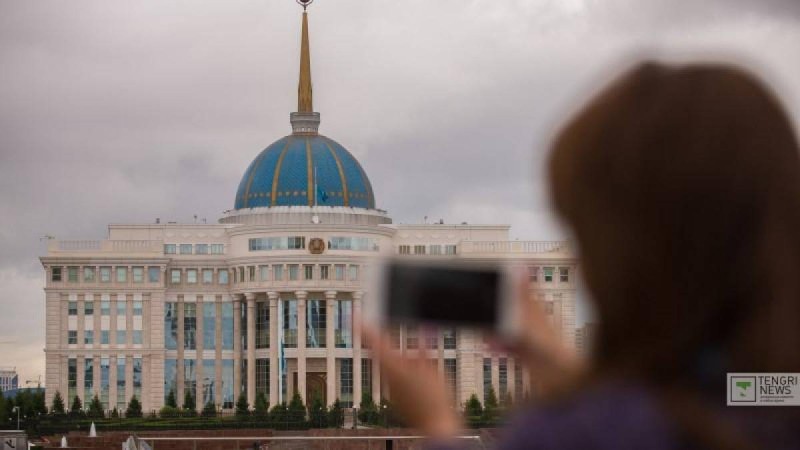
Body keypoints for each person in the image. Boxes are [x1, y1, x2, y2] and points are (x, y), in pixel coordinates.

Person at [364, 61, 800, 450]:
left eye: (581, 231)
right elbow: (733, 392)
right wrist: (568, 372)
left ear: (626, 256)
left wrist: (440, 425)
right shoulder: (775, 394)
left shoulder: (579, 433)